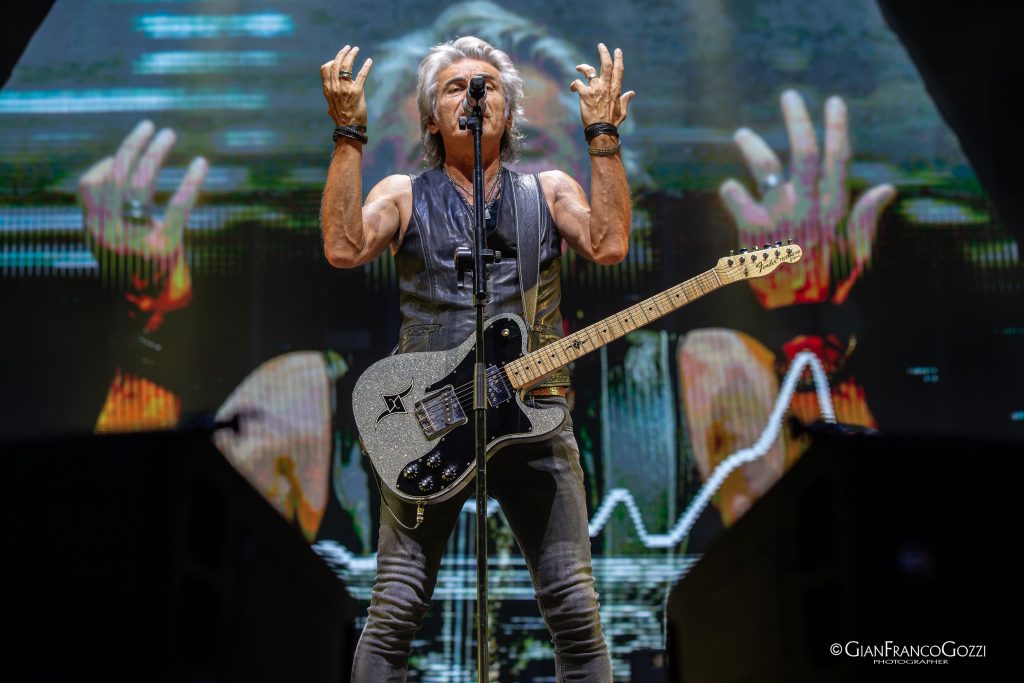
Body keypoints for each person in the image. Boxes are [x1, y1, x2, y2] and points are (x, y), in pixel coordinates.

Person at [319, 35, 635, 681]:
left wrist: (602, 134)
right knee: (396, 605)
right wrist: (349, 133)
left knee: (575, 608)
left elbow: (608, 244)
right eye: (455, 87)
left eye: (486, 87)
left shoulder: (547, 190)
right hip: (428, 423)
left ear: (509, 113)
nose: (474, 95)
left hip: (534, 416)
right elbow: (344, 247)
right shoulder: (404, 192)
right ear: (431, 118)